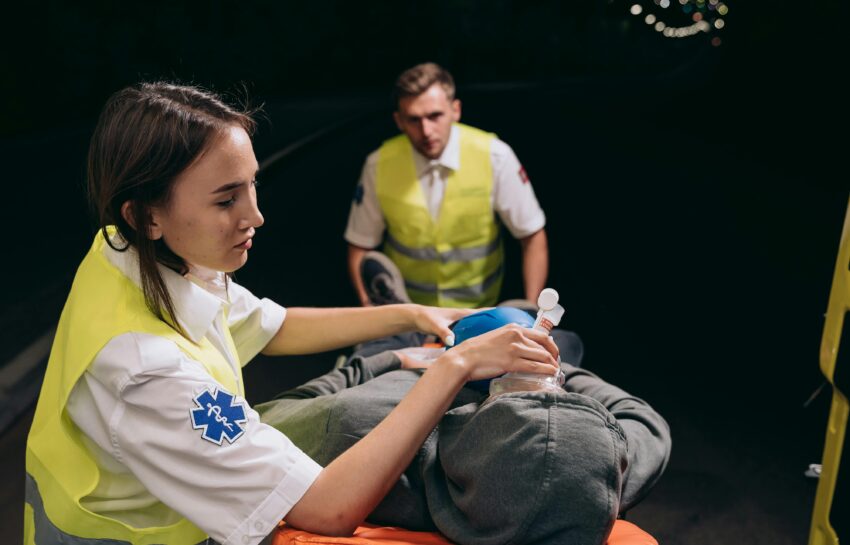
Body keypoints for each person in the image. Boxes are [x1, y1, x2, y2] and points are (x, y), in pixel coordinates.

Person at [23, 82, 562, 545]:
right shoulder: (146, 372)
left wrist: (414, 313)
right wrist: (455, 366)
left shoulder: (127, 251)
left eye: (252, 183)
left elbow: (273, 324)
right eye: (225, 199)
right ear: (146, 214)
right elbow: (329, 507)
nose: (255, 215)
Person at [257, 331, 671, 545]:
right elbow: (644, 420)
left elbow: (271, 415)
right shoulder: (592, 479)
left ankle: (397, 329)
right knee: (570, 341)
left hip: (412, 366)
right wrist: (556, 365)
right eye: (559, 393)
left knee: (384, 342)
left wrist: (401, 361)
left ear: (471, 420)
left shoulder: (356, 428)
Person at [345, 62, 550, 309]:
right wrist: (370, 311)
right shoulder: (378, 164)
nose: (426, 130)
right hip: (407, 314)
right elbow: (360, 246)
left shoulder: (495, 156)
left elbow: (532, 235)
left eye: (435, 116)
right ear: (399, 121)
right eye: (414, 120)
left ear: (455, 110)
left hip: (479, 311)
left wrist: (531, 311)